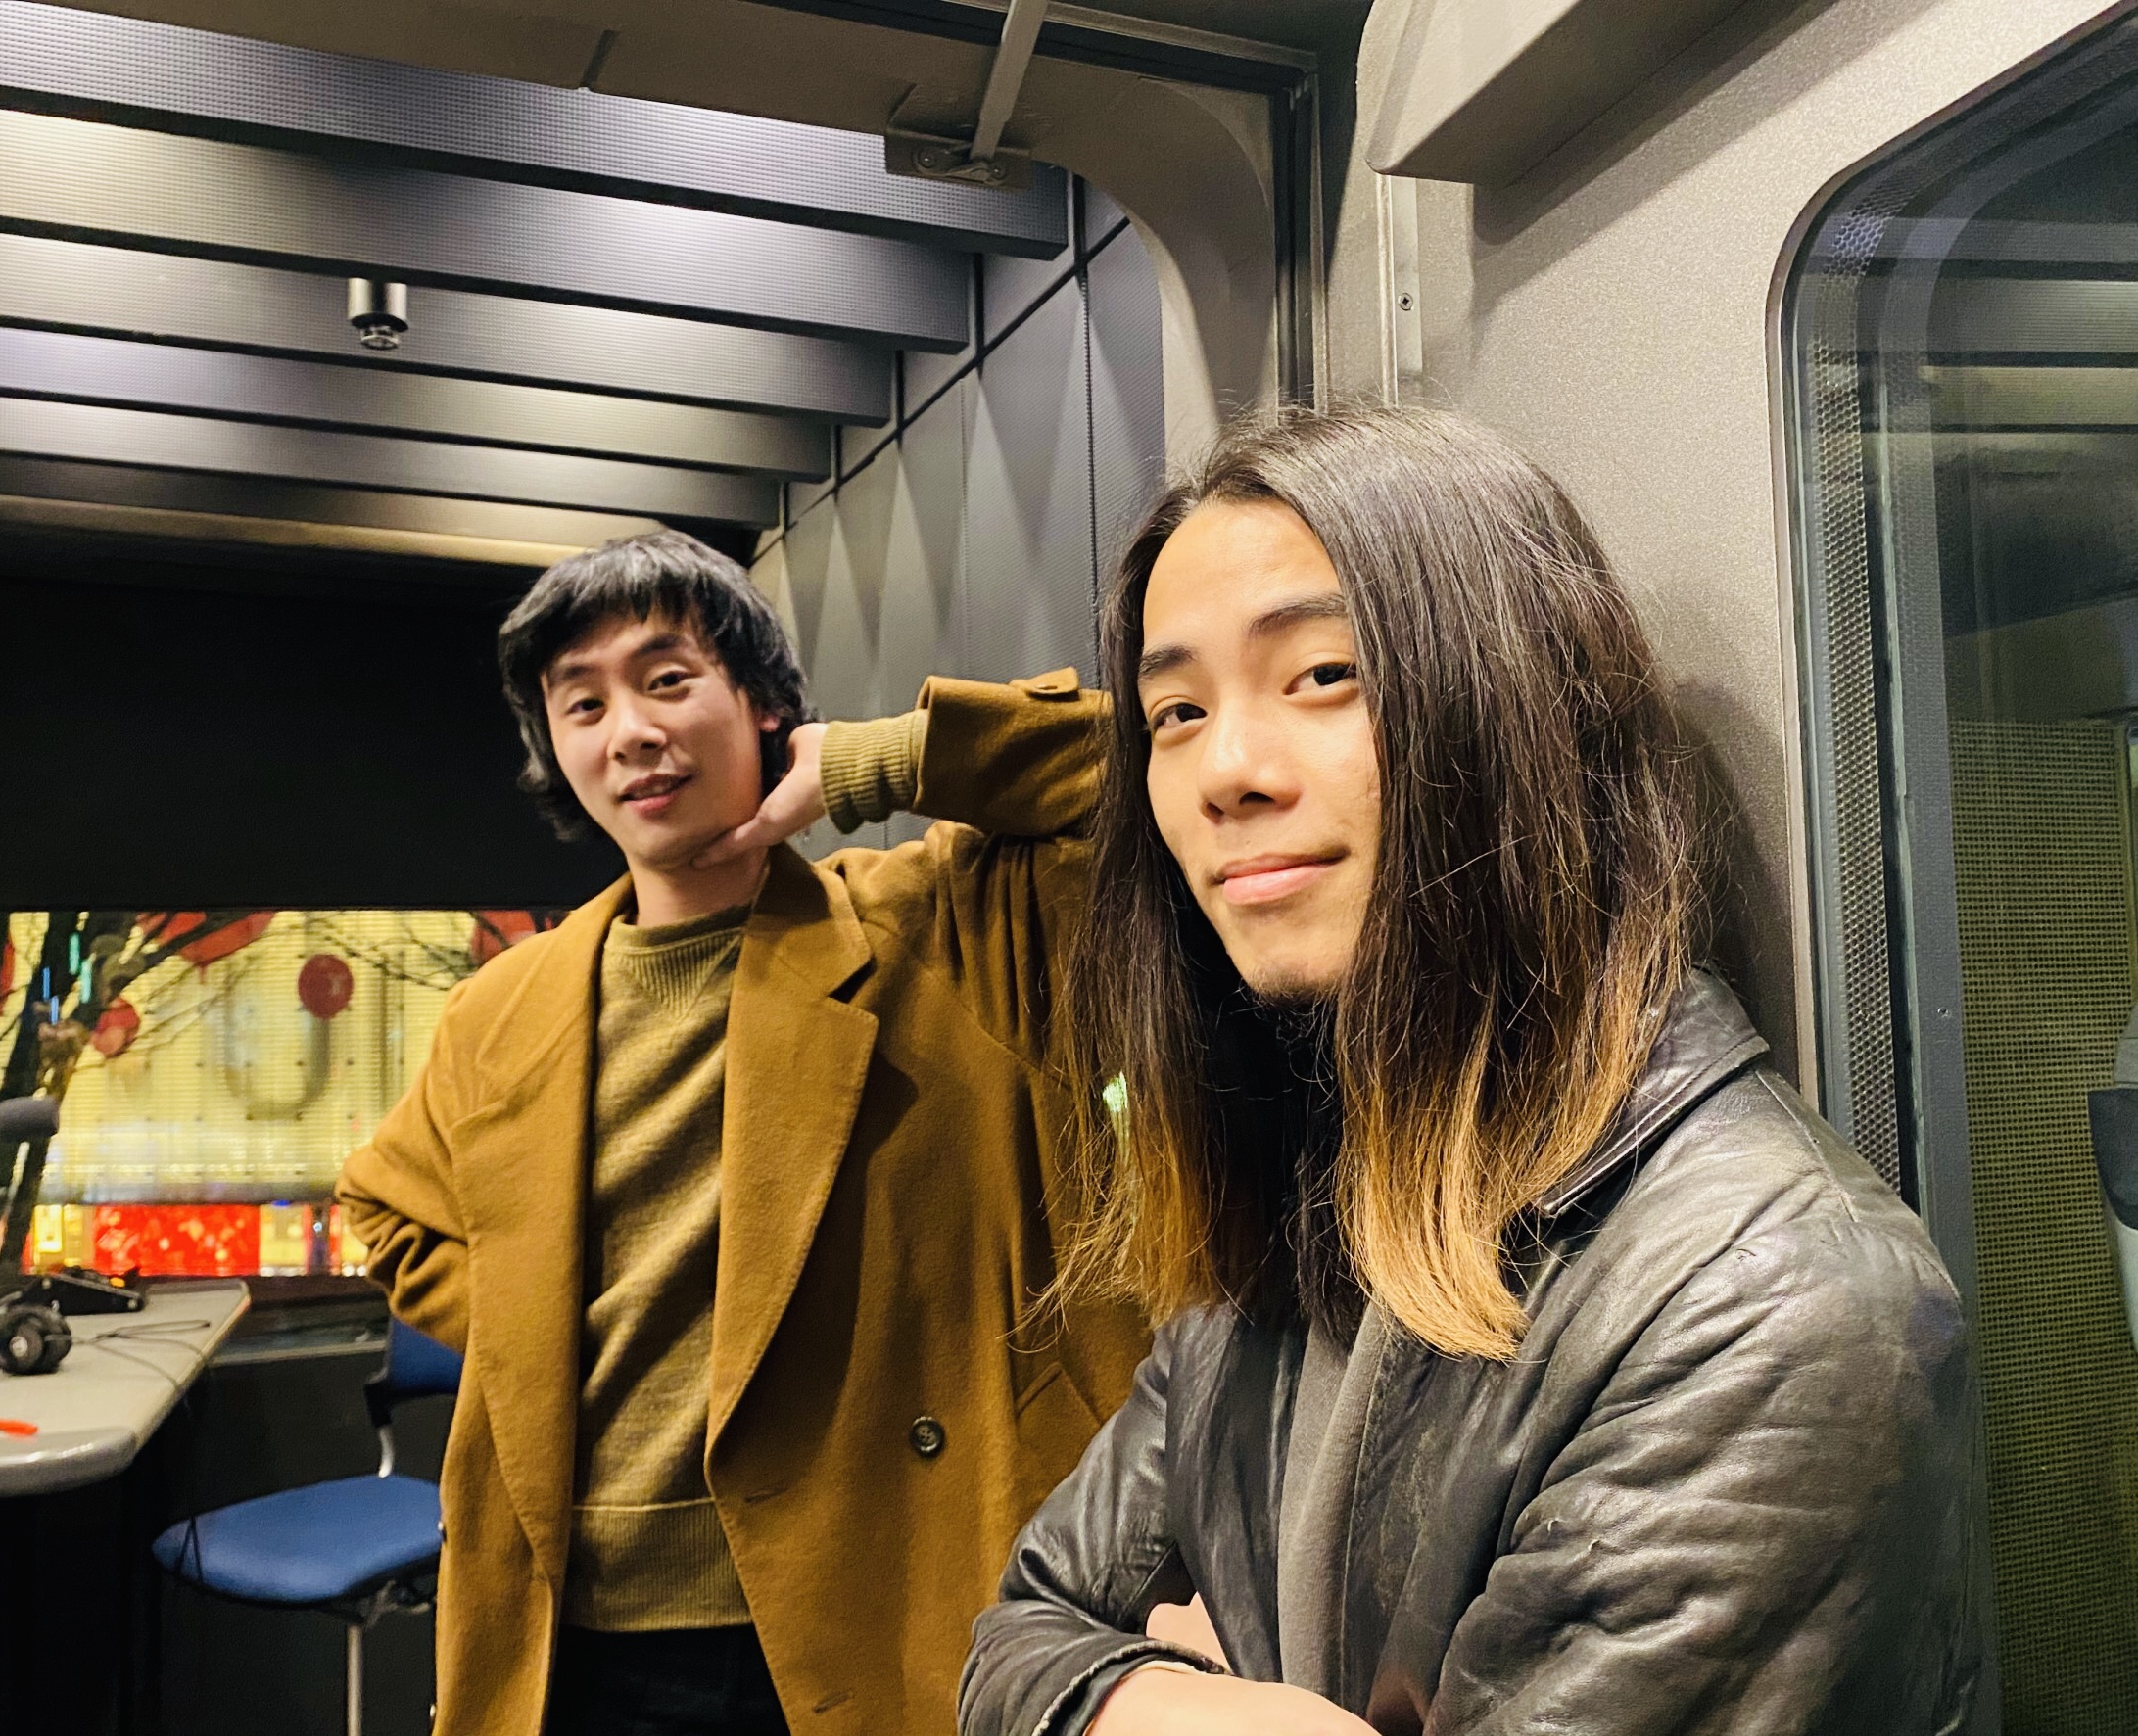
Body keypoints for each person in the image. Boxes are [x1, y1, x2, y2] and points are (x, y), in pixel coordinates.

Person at [958, 405, 1982, 1736]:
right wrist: (1188, 1710)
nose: (1227, 771)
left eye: (1325, 674)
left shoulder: (1763, 1303)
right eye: (1177, 711)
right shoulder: (1307, 1189)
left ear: (1509, 709)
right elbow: (1019, 1633)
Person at [335, 529, 1149, 1736]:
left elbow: (1147, 776)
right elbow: (383, 1206)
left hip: (885, 1583)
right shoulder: (502, 1008)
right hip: (584, 1630)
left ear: (762, 701)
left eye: (668, 680)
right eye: (582, 705)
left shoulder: (942, 922)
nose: (629, 732)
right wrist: (525, 1321)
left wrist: (876, 760)